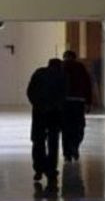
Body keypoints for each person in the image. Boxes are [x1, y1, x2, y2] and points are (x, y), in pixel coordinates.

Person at [26, 58, 66, 188]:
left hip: (39, 112)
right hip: (55, 113)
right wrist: (57, 106)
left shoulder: (38, 73)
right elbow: (64, 93)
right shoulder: (61, 75)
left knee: (38, 140)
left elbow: (30, 91)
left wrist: (37, 104)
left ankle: (38, 169)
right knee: (53, 142)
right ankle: (51, 170)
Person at [61, 50, 93, 162]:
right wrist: (89, 102)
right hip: (78, 101)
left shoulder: (61, 67)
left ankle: (67, 153)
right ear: (75, 57)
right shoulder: (81, 68)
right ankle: (75, 146)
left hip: (64, 102)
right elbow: (88, 85)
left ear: (64, 57)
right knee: (79, 126)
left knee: (65, 129)